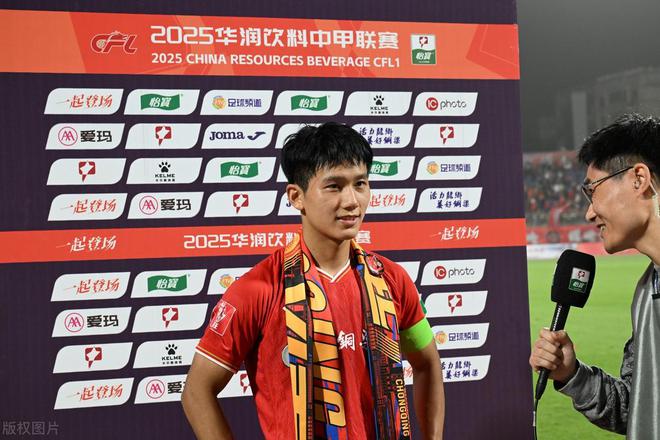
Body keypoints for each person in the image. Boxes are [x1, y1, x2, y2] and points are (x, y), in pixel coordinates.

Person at [182, 122, 445, 439]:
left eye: (360, 183)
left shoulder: (391, 279)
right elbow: (197, 391)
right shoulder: (258, 289)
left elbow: (427, 363)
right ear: (296, 196)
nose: (352, 200)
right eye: (334, 186)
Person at [529, 114, 660, 439]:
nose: (589, 212)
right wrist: (572, 374)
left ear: (639, 179)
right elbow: (639, 409)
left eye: (593, 190)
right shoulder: (647, 290)